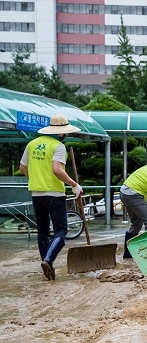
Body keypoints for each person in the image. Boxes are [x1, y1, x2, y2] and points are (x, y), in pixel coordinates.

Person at [19, 114, 84, 281]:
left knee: (42, 232)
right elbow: (57, 169)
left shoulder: (32, 144)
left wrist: (35, 179)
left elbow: (22, 167)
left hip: (36, 194)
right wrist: (73, 184)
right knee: (61, 231)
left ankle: (47, 265)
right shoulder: (58, 146)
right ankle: (48, 259)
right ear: (61, 133)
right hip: (54, 194)